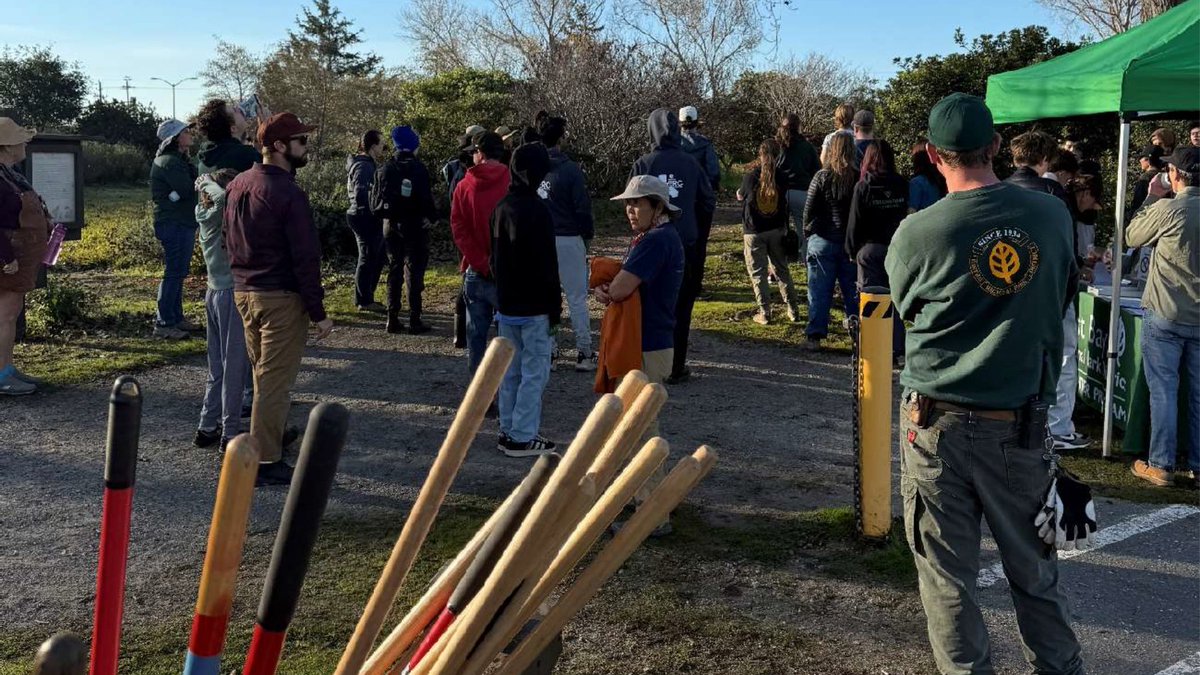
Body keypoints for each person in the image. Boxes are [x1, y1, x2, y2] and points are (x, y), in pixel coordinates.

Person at [886, 93, 1084, 675]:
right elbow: (1061, 295)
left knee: (948, 581)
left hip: (935, 426)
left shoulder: (918, 232)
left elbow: (906, 310)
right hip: (1018, 426)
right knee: (1035, 573)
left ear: (930, 154)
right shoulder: (1051, 215)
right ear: (996, 146)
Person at [224, 112, 332, 487]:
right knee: (274, 380)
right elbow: (306, 256)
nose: (307, 147)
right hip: (280, 297)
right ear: (281, 147)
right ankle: (265, 459)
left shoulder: (239, 184)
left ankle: (271, 431)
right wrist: (318, 312)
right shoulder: (287, 193)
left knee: (263, 374)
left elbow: (228, 238)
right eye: (302, 141)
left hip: (245, 291)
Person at [598, 175, 685, 537]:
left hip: (646, 345)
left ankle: (652, 515)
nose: (631, 210)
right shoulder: (665, 238)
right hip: (654, 342)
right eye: (628, 204)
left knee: (639, 429)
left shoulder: (655, 241)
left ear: (659, 207)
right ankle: (648, 502)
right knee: (638, 426)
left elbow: (620, 289)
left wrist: (608, 290)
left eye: (638, 203)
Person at [1128, 146, 1200, 488]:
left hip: (1167, 313)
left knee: (1164, 390)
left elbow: (1132, 236)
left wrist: (1151, 198)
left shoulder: (1171, 209)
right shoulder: (1176, 208)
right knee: (1198, 393)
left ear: (1176, 175)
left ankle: (1161, 463)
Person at [630, 108, 715, 384]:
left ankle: (645, 363)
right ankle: (676, 365)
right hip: (685, 245)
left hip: (652, 244)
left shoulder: (644, 164)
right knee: (682, 306)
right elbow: (707, 201)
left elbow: (630, 203)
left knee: (650, 304)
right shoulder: (691, 163)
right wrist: (697, 232)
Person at [491, 142, 561, 456]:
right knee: (535, 372)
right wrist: (555, 308)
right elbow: (548, 265)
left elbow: (494, 259)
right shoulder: (539, 211)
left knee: (510, 371)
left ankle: (508, 429)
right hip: (535, 307)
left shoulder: (501, 207)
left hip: (507, 305)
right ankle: (522, 435)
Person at [194, 168, 248, 453]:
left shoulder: (203, 215)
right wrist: (207, 181)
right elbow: (225, 197)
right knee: (234, 365)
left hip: (212, 292)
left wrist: (205, 186)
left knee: (216, 365)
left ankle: (207, 424)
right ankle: (229, 431)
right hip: (229, 294)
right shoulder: (220, 211)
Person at [537, 115, 597, 371]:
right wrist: (588, 236)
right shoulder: (571, 170)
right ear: (561, 137)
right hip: (569, 238)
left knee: (546, 300)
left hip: (540, 239)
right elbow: (582, 208)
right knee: (576, 298)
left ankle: (549, 351)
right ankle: (584, 351)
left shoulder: (533, 167)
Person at [451, 131, 511, 374]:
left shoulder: (464, 186)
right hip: (507, 271)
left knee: (476, 336)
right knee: (509, 339)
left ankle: (479, 397)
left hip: (477, 270)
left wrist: (481, 262)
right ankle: (506, 391)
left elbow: (459, 230)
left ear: (480, 153)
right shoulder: (512, 182)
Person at [0, 118, 51, 395]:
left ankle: (7, 368)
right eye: (20, 140)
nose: (24, 145)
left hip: (18, 256)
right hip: (8, 258)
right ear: (7, 146)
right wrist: (6, 257)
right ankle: (2, 375)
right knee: (5, 316)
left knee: (10, 313)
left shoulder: (11, 174)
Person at [372, 125, 437, 335]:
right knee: (414, 272)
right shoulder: (419, 168)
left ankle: (392, 318)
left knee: (394, 268)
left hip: (390, 225)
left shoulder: (386, 168)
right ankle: (415, 318)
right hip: (415, 225)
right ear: (413, 145)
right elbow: (426, 199)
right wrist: (432, 217)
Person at [846, 141, 908, 359]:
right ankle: (897, 348)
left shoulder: (863, 187)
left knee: (870, 298)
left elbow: (854, 223)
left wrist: (852, 251)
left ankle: (873, 346)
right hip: (897, 248)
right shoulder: (901, 184)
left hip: (870, 249)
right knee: (896, 298)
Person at [801, 132, 858, 351]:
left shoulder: (822, 176)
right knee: (852, 291)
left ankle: (815, 336)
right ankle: (857, 334)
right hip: (849, 241)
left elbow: (809, 209)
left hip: (823, 237)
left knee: (818, 290)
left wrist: (808, 232)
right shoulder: (857, 177)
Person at [737, 139, 798, 325]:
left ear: (760, 155)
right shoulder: (782, 177)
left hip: (754, 231)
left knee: (758, 273)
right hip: (777, 229)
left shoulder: (750, 177)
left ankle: (765, 312)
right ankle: (793, 309)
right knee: (781, 270)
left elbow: (741, 195)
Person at [149, 119, 199, 340]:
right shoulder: (169, 161)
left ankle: (176, 318)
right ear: (177, 137)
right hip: (174, 222)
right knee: (174, 272)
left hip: (180, 221)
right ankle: (164, 322)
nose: (191, 134)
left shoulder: (177, 160)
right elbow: (189, 188)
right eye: (187, 131)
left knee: (178, 271)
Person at [344, 130, 387, 313]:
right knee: (368, 257)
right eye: (381, 145)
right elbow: (363, 193)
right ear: (372, 146)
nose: (383, 149)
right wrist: (375, 209)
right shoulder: (364, 167)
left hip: (363, 215)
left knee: (375, 256)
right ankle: (364, 300)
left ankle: (366, 296)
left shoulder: (365, 164)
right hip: (364, 217)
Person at [777, 113, 821, 253]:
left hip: (779, 193)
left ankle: (777, 268)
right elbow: (817, 171)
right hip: (801, 192)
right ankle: (807, 265)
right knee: (804, 232)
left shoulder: (777, 146)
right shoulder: (807, 147)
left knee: (777, 231)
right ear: (799, 127)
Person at [1005, 131, 1071, 209]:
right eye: (1050, 163)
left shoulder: (999, 187)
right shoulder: (1051, 189)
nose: (1048, 168)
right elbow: (1067, 219)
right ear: (1044, 159)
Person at [195, 99, 261, 175]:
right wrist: (267, 127)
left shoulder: (204, 161)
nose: (239, 109)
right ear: (233, 128)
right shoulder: (246, 155)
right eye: (235, 110)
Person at [679, 106, 721, 192]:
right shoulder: (705, 143)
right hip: (699, 190)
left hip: (677, 189)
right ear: (696, 122)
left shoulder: (673, 142)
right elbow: (713, 170)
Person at [1130, 144, 1167, 214]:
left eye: (1141, 158)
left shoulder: (1145, 178)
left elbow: (1138, 202)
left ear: (1148, 160)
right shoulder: (1166, 177)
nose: (1140, 161)